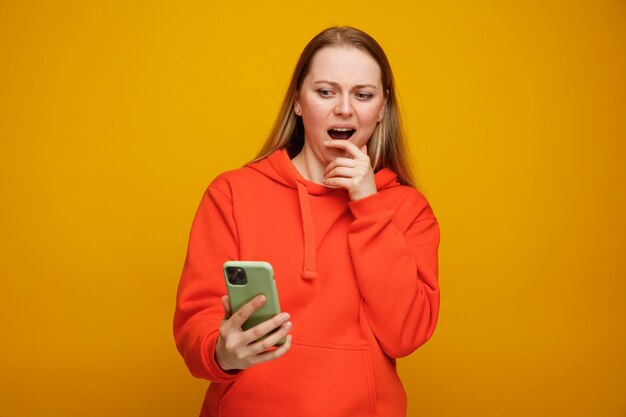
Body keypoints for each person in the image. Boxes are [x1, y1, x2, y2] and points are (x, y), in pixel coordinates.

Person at [173, 26, 440, 417]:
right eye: (326, 91)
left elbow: (406, 334)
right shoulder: (232, 193)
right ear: (298, 101)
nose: (344, 109)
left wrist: (367, 204)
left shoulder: (406, 208)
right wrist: (222, 350)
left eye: (362, 95)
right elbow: (196, 322)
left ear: (382, 109)